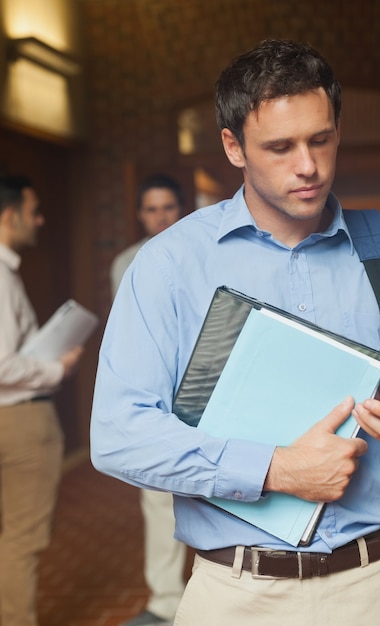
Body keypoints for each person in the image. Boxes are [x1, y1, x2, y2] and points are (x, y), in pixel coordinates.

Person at [90, 39, 380, 626]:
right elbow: (118, 434)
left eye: (320, 139)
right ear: (233, 147)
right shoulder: (170, 265)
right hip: (236, 594)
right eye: (280, 147)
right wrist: (275, 470)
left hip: (376, 586)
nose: (308, 166)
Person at [0, 175, 84, 626]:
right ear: (9, 216)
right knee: (21, 540)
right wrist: (58, 368)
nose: (41, 220)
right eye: (34, 212)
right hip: (19, 421)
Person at [110, 174, 187, 626]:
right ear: (140, 214)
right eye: (151, 209)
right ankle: (166, 599)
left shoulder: (204, 253)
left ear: (182, 209)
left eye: (168, 208)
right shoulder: (125, 262)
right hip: (153, 395)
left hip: (202, 389)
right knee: (157, 497)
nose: (160, 217)